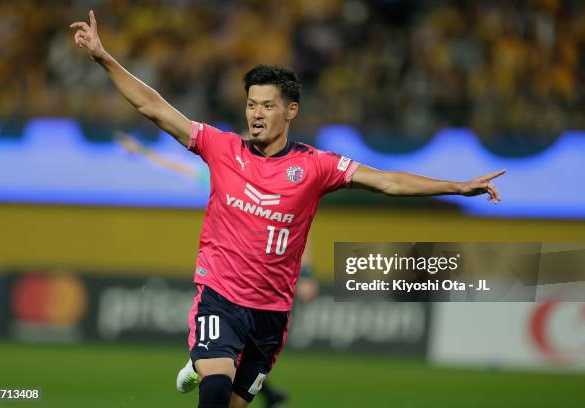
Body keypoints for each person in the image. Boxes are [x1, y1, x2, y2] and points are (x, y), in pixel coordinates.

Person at [71, 11, 504, 408]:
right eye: (250, 104)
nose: (255, 114)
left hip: (270, 315)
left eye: (267, 106)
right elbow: (154, 107)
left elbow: (387, 180)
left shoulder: (316, 166)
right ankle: (205, 362)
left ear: (290, 110)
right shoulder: (221, 148)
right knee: (216, 392)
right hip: (219, 297)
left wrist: (455, 186)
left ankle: (202, 363)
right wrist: (103, 58)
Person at [115, 132, 318, 408]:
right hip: (225, 271)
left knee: (246, 350)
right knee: (226, 340)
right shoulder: (226, 169)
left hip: (264, 282)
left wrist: (306, 274)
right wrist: (144, 152)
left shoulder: (286, 184)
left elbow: (298, 233)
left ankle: (214, 365)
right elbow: (180, 167)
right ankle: (207, 359)